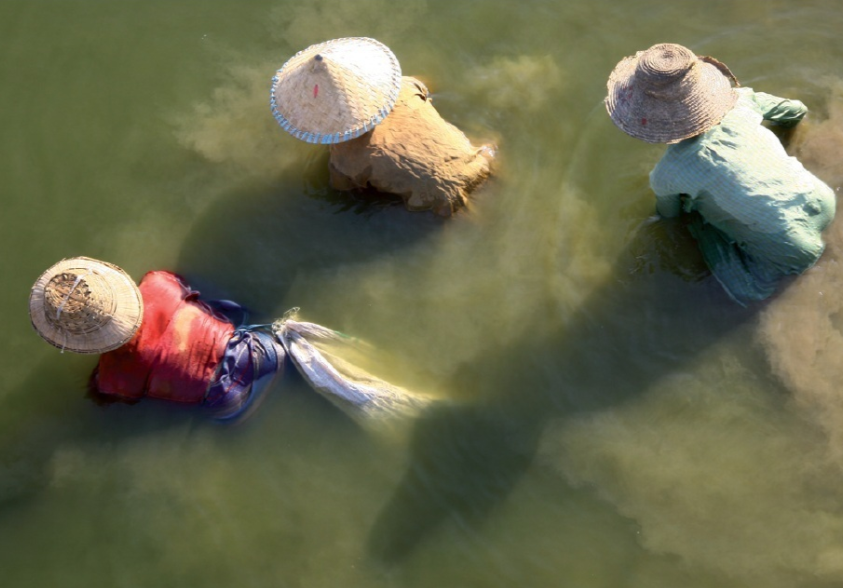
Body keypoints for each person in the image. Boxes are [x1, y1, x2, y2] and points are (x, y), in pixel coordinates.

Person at [29, 257, 431, 425]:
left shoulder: (113, 378)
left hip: (232, 397)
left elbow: (109, 396)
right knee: (216, 308)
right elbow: (182, 289)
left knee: (217, 417)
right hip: (261, 349)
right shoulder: (157, 283)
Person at [605, 43, 836, 305]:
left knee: (747, 291)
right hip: (822, 200)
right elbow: (796, 112)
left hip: (792, 248)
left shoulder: (667, 173)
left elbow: (669, 216)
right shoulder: (743, 101)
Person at [270, 37, 495, 217]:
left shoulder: (343, 164)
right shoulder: (406, 87)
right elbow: (427, 84)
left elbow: (342, 192)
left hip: (439, 204)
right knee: (487, 150)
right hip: (480, 159)